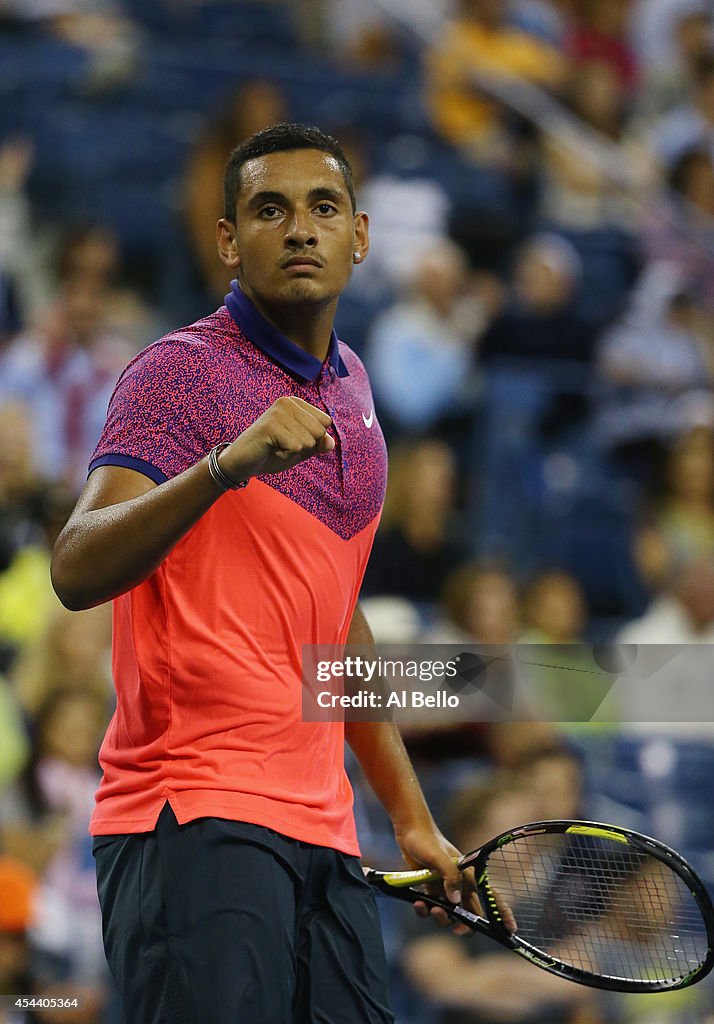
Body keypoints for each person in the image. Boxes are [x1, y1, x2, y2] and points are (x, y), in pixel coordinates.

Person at [50, 123, 478, 1024]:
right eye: (270, 210)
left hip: (325, 832)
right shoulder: (179, 375)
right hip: (192, 813)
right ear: (227, 241)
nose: (299, 230)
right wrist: (220, 468)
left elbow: (336, 623)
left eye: (323, 209)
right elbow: (76, 565)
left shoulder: (356, 393)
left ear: (359, 237)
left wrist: (409, 816)